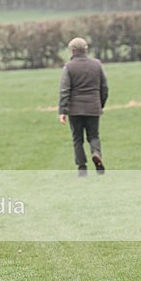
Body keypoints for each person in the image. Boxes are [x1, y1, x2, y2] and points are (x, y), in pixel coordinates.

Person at [58, 36, 108, 176]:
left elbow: (64, 90)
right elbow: (104, 87)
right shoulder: (97, 64)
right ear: (86, 49)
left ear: (72, 51)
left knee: (77, 139)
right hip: (93, 107)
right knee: (94, 136)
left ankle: (82, 168)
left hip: (75, 109)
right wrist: (100, 104)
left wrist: (62, 111)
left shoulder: (69, 67)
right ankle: (96, 153)